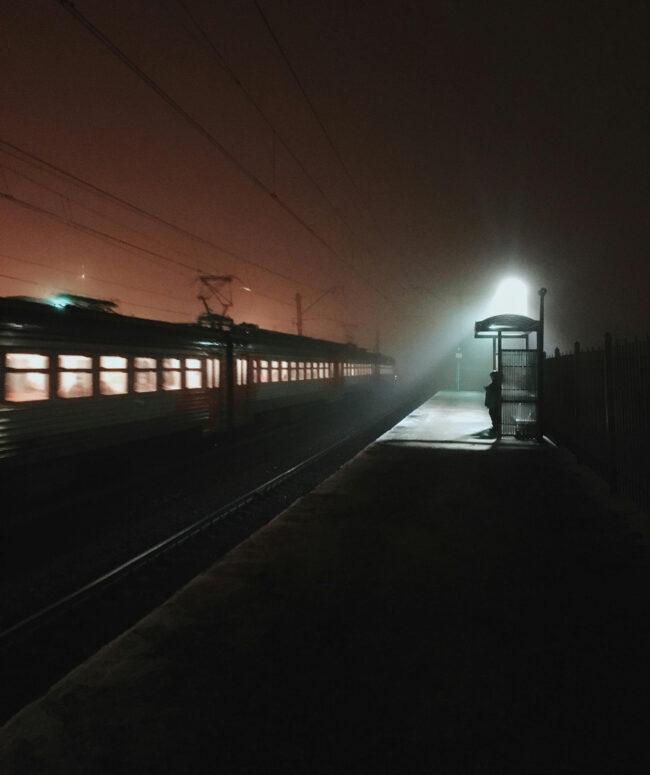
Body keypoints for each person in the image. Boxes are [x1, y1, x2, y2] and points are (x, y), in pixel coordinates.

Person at [484, 370, 501, 435]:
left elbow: (493, 390)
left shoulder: (495, 383)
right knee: (493, 413)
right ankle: (496, 426)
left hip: (494, 402)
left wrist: (488, 389)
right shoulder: (497, 382)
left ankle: (496, 427)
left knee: (493, 414)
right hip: (495, 402)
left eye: (492, 376)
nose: (491, 377)